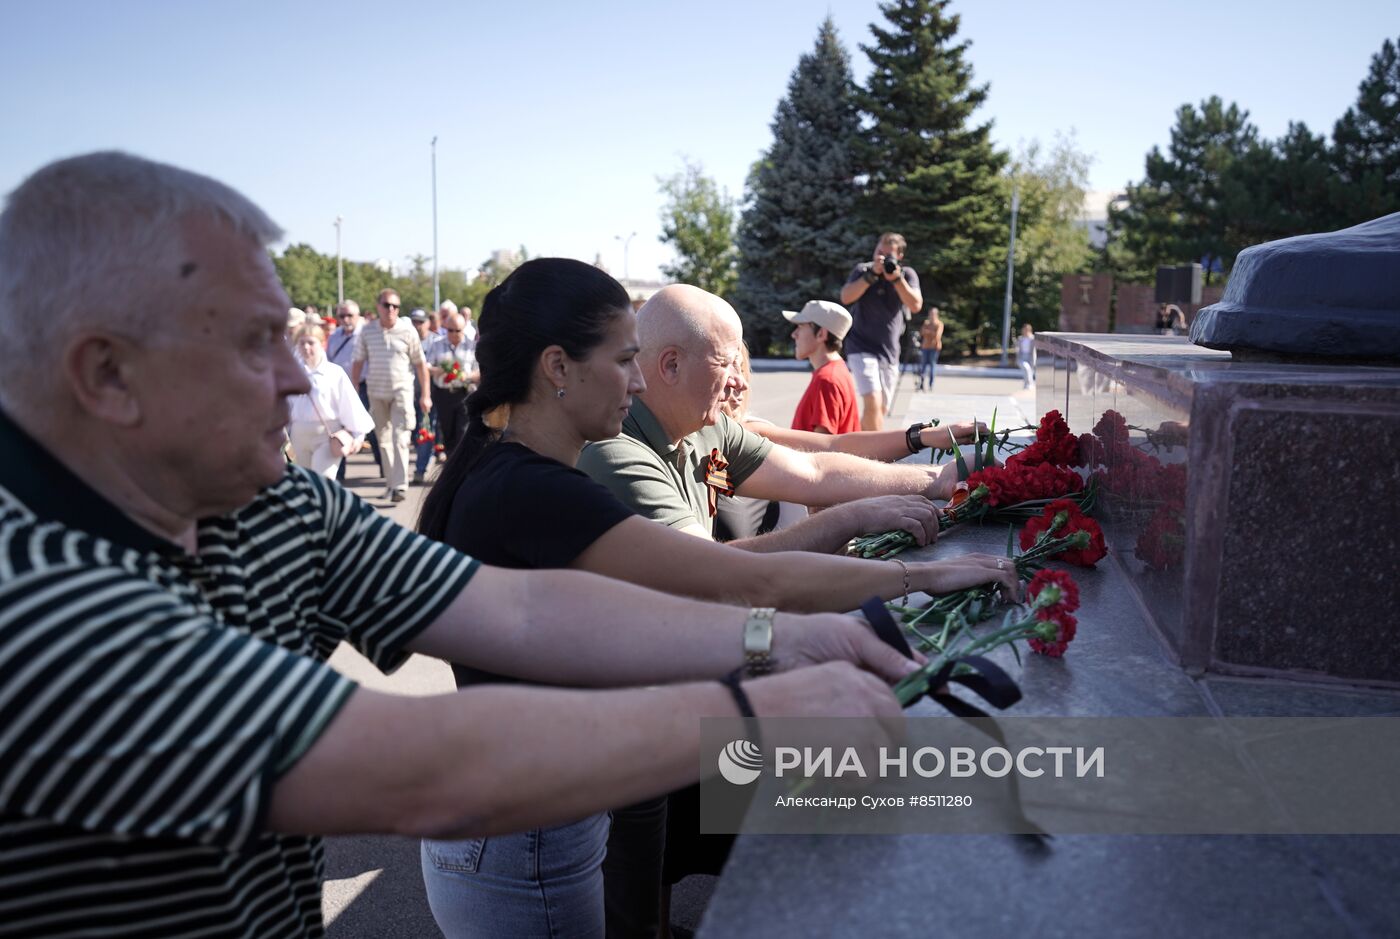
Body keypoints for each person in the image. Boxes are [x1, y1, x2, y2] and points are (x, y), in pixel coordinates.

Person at [0, 151, 925, 939]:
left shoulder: (264, 498)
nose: (300, 375)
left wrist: (781, 640)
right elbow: (426, 767)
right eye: (254, 343)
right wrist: (768, 703)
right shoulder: (41, 605)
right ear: (107, 374)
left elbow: (515, 608)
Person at [414, 258, 1020, 938]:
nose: (638, 380)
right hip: (524, 846)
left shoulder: (517, 471)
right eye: (623, 361)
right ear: (558, 367)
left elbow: (663, 620)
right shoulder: (539, 489)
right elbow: (739, 580)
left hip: (537, 821)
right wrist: (922, 578)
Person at [577, 284, 963, 553]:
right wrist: (851, 519)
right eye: (726, 363)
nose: (739, 380)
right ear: (671, 365)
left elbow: (815, 470)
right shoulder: (617, 454)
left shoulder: (707, 427)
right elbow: (714, 570)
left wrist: (939, 479)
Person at [351, 289, 431, 501]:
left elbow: (421, 365)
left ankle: (400, 486)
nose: (391, 310)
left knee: (400, 438)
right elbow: (357, 362)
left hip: (401, 392)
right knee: (383, 441)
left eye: (395, 306)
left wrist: (426, 395)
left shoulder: (408, 331)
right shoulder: (367, 331)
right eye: (386, 305)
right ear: (378, 307)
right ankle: (391, 483)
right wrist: (353, 392)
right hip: (376, 392)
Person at [839, 232, 923, 431]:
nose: (882, 258)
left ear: (899, 256)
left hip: (889, 352)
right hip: (860, 346)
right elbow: (846, 297)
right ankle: (873, 457)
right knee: (872, 401)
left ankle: (857, 444)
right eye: (879, 253)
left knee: (881, 408)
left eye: (888, 255)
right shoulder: (863, 270)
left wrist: (896, 279)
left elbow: (916, 305)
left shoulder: (906, 274)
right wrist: (871, 276)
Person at [287, 321, 374, 476]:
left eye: (311, 343)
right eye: (302, 343)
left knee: (323, 482)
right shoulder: (292, 373)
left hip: (326, 436)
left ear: (322, 344)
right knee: (305, 485)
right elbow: (285, 406)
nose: (306, 347)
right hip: (299, 435)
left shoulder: (334, 373)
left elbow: (350, 404)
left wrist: (358, 435)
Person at [785, 299, 859, 436]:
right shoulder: (836, 371)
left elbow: (822, 447)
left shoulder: (827, 380)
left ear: (821, 334)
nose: (794, 334)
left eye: (800, 327)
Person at [425, 312, 479, 457]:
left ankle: (460, 465)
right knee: (447, 431)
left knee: (462, 431)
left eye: (457, 330)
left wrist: (466, 376)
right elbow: (426, 367)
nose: (454, 334)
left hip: (464, 392)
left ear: (464, 329)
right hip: (443, 394)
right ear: (445, 328)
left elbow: (479, 372)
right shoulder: (437, 344)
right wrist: (439, 370)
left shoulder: (471, 346)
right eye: (450, 330)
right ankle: (451, 461)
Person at [409, 308, 438, 484]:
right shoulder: (407, 339)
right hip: (407, 394)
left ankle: (420, 469)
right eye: (414, 321)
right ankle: (428, 456)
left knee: (424, 430)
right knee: (413, 434)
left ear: (428, 322)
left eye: (420, 321)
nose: (417, 325)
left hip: (428, 395)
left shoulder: (435, 342)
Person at [918, 308, 944, 391]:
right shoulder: (926, 323)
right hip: (925, 347)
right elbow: (922, 332)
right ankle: (921, 383)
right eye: (930, 314)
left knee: (932, 366)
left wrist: (928, 332)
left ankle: (931, 384)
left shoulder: (939, 324)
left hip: (934, 347)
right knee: (923, 366)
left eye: (933, 314)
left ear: (936, 314)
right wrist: (930, 332)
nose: (931, 315)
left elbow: (937, 336)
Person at [1017, 323, 1036, 389]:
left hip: (1030, 357)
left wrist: (1034, 360)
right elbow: (1018, 350)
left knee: (1029, 371)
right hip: (1022, 357)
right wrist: (1017, 359)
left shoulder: (1032, 338)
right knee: (1026, 368)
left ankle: (1027, 384)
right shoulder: (1020, 338)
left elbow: (1033, 351)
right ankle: (1030, 383)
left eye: (1026, 330)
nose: (1024, 331)